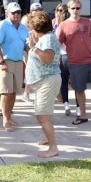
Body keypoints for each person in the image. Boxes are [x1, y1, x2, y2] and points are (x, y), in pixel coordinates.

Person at [56, 0, 91, 129]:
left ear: (81, 9)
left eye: (78, 8)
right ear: (68, 10)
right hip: (75, 62)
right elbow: (56, 43)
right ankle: (83, 115)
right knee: (79, 89)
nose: (75, 10)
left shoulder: (87, 22)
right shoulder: (63, 25)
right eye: (73, 8)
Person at [25, 11, 62, 158]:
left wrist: (34, 47)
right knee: (42, 115)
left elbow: (47, 58)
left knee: (42, 115)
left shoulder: (47, 39)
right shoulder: (46, 38)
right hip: (44, 81)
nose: (30, 31)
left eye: (31, 28)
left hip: (47, 80)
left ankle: (53, 148)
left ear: (36, 28)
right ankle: (49, 139)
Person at [0, 1, 29, 131]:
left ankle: (9, 115)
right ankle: (5, 119)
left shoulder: (24, 28)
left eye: (18, 12)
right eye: (14, 12)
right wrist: (1, 62)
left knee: (13, 93)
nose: (16, 15)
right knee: (6, 93)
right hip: (5, 62)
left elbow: (25, 45)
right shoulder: (2, 25)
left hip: (18, 62)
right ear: (8, 13)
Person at [53, 3, 74, 116]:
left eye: (62, 10)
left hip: (65, 55)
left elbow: (57, 42)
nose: (61, 12)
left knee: (66, 82)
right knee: (66, 81)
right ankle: (68, 104)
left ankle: (68, 104)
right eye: (59, 10)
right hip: (63, 55)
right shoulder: (54, 23)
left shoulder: (63, 25)